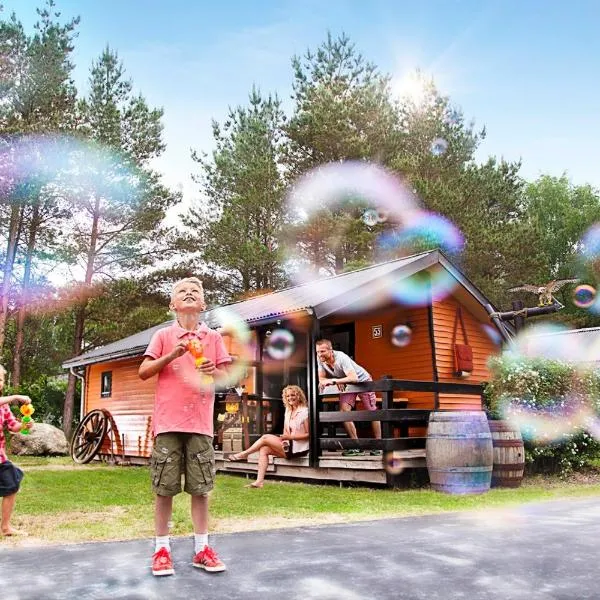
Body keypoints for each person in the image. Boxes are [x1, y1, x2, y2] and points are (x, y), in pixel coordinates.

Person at [139, 277, 232, 577]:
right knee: (164, 490)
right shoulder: (164, 335)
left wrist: (212, 369)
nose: (189, 294)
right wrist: (172, 355)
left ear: (203, 304)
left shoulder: (213, 338)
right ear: (173, 304)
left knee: (201, 490)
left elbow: (226, 378)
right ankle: (161, 549)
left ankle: (201, 548)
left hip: (200, 425)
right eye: (182, 291)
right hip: (168, 424)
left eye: (196, 292)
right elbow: (143, 372)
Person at [226, 385, 309, 488]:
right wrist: (284, 439)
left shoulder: (305, 412)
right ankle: (259, 482)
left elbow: (308, 434)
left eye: (293, 395)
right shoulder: (288, 410)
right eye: (287, 396)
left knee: (265, 438)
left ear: (298, 396)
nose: (290, 398)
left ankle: (244, 454)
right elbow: (286, 431)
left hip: (299, 448)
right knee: (264, 449)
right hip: (289, 445)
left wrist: (290, 438)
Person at [315, 339, 382, 457]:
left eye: (322, 351)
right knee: (344, 412)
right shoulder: (320, 359)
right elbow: (321, 379)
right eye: (318, 352)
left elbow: (354, 377)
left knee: (372, 412)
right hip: (347, 383)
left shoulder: (341, 357)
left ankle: (379, 446)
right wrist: (338, 381)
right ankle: (356, 447)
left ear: (331, 350)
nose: (320, 354)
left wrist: (336, 380)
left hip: (363, 381)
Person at [0, 365, 33, 536]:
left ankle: (5, 528)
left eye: (0, 380)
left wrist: (24, 425)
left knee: (12, 483)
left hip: (0, 458)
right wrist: (16, 396)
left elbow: (13, 426)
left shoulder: (3, 407)